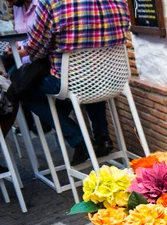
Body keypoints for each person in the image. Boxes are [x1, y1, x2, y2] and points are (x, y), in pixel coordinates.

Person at [20, 0, 130, 166]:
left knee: (25, 91)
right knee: (91, 77)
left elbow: (36, 49)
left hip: (70, 82)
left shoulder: (51, 3)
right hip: (113, 78)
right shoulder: (119, 1)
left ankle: (79, 140)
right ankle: (103, 137)